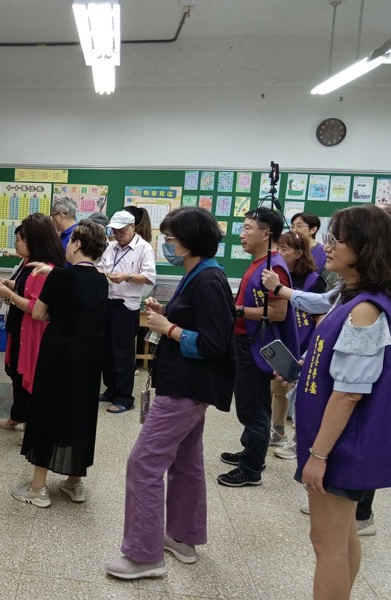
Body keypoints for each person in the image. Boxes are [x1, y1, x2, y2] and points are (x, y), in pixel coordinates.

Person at [105, 207, 236, 580]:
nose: (166, 244)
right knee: (186, 461)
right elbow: (197, 321)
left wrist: (169, 329)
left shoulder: (208, 279)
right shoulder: (199, 272)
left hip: (185, 388)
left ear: (189, 241)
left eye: (171, 238)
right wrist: (167, 315)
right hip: (187, 384)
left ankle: (143, 555)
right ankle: (183, 537)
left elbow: (213, 344)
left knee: (144, 462)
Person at [293, 204, 391, 600]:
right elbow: (344, 369)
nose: (327, 246)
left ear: (365, 248)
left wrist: (318, 456)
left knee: (327, 543)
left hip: (340, 446)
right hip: (342, 442)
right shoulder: (355, 298)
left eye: (338, 239)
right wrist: (308, 366)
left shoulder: (365, 310)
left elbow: (350, 392)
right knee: (343, 534)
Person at [10, 220, 109, 508]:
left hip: (59, 353)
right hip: (89, 356)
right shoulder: (101, 280)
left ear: (77, 244)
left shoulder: (60, 278)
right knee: (80, 412)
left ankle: (38, 487)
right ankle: (74, 481)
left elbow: (39, 313)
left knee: (47, 411)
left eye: (70, 240)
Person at [218, 207, 298, 487]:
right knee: (249, 404)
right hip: (246, 342)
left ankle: (251, 470)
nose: (242, 234)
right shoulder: (259, 262)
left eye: (248, 228)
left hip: (255, 345)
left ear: (266, 233)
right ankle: (250, 451)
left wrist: (237, 311)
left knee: (254, 409)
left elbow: (277, 313)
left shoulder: (273, 267)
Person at [0, 214, 66, 434]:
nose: (16, 244)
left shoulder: (45, 269)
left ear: (33, 241)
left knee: (30, 378)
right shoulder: (27, 263)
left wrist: (9, 295)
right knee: (17, 374)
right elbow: (24, 286)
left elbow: (35, 308)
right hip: (18, 327)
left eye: (19, 240)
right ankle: (18, 415)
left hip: (33, 332)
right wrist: (8, 284)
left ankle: (32, 428)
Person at [268, 231, 327, 447]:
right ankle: (266, 430)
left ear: (299, 253)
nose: (279, 253)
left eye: (284, 249)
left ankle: (280, 432)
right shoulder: (275, 274)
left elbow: (320, 314)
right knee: (270, 387)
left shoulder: (314, 279)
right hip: (277, 338)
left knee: (284, 390)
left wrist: (313, 345)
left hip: (302, 342)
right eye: (278, 248)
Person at [98, 210, 157, 413]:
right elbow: (102, 266)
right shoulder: (111, 247)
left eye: (121, 230)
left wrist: (127, 277)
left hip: (126, 306)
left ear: (133, 227)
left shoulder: (143, 248)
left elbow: (149, 276)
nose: (117, 234)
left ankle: (124, 398)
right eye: (114, 231)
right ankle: (111, 390)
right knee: (107, 352)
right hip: (107, 303)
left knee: (122, 354)